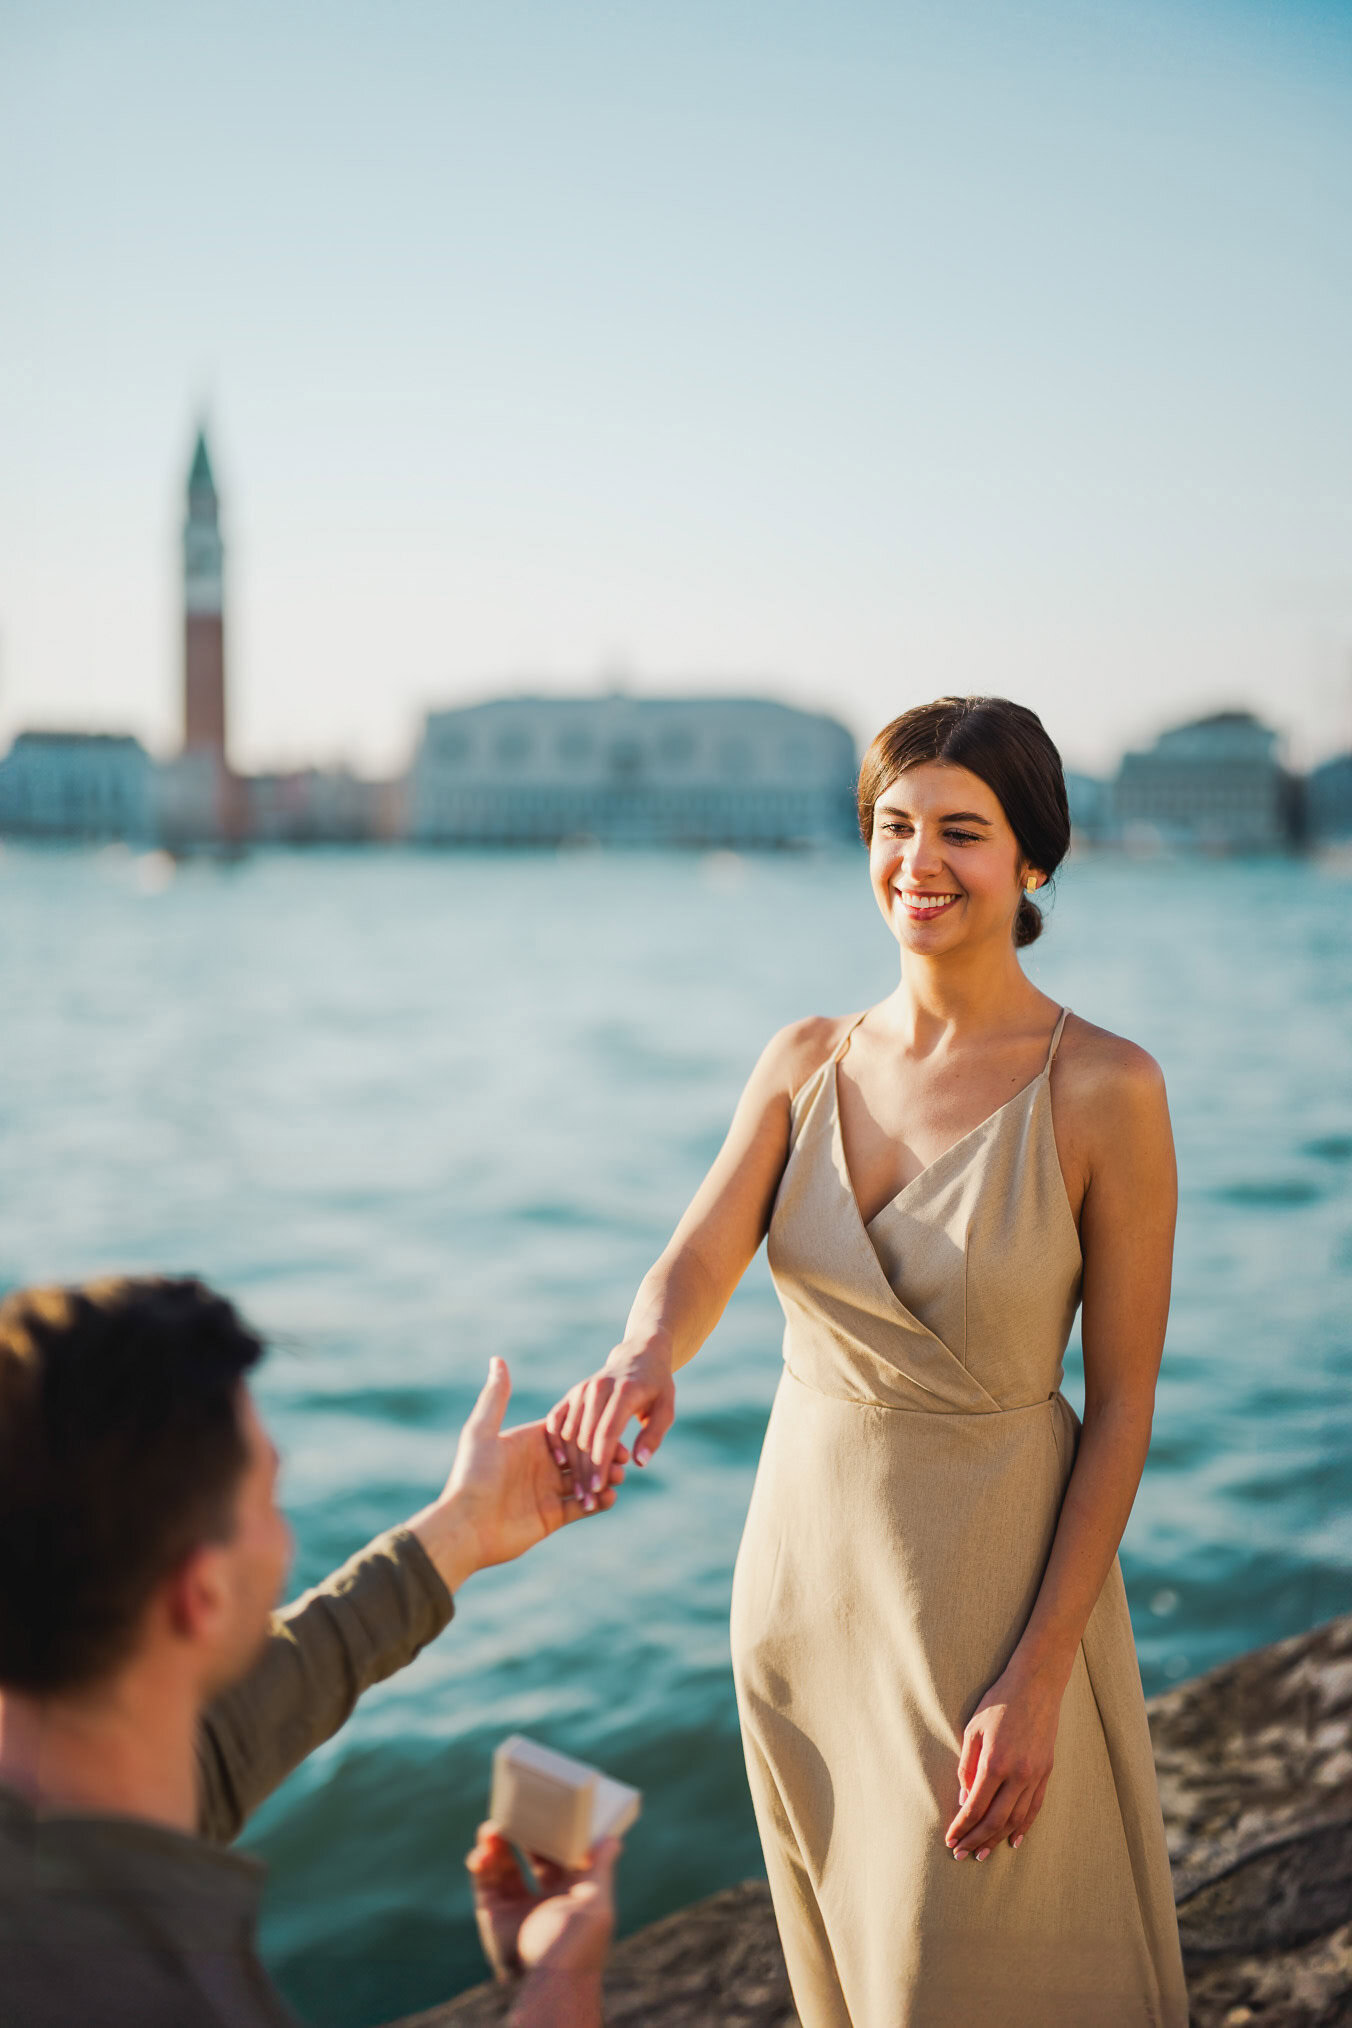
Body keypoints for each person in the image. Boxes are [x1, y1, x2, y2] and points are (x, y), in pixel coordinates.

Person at [547, 696, 1190, 2026]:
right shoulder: (802, 1060)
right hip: (797, 1598)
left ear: (1034, 860)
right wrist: (643, 1353)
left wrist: (1039, 1668)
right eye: (894, 827)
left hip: (986, 1612)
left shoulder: (1106, 1090)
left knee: (979, 1968)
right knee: (860, 1977)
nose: (918, 863)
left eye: (963, 831)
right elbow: (696, 1258)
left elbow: (1123, 1407)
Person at [0, 1274, 623, 2028]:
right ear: (202, 1592)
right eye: (269, 1496)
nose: (284, 1536)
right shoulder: (145, 1992)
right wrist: (564, 1974)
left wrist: (460, 1531)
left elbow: (232, 1737)